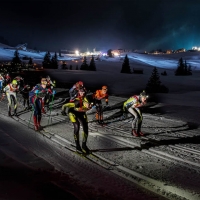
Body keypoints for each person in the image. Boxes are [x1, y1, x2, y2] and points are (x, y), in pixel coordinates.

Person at [63, 88, 92, 154]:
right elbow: (65, 105)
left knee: (86, 129)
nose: (82, 93)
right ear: (79, 92)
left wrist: (89, 105)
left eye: (83, 92)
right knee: (77, 127)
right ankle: (77, 146)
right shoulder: (76, 98)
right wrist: (63, 110)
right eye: (81, 92)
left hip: (81, 112)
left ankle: (84, 146)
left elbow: (89, 103)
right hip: (73, 112)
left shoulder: (86, 97)